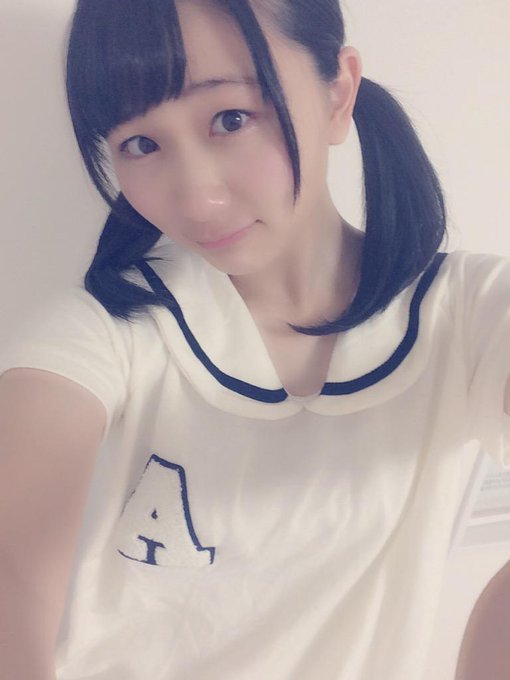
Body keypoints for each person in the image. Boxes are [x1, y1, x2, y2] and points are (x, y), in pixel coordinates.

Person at [1, 1, 509, 678]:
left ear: (338, 94)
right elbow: (13, 561)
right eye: (141, 144)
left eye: (231, 119)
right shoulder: (108, 328)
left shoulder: (469, 310)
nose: (196, 198)